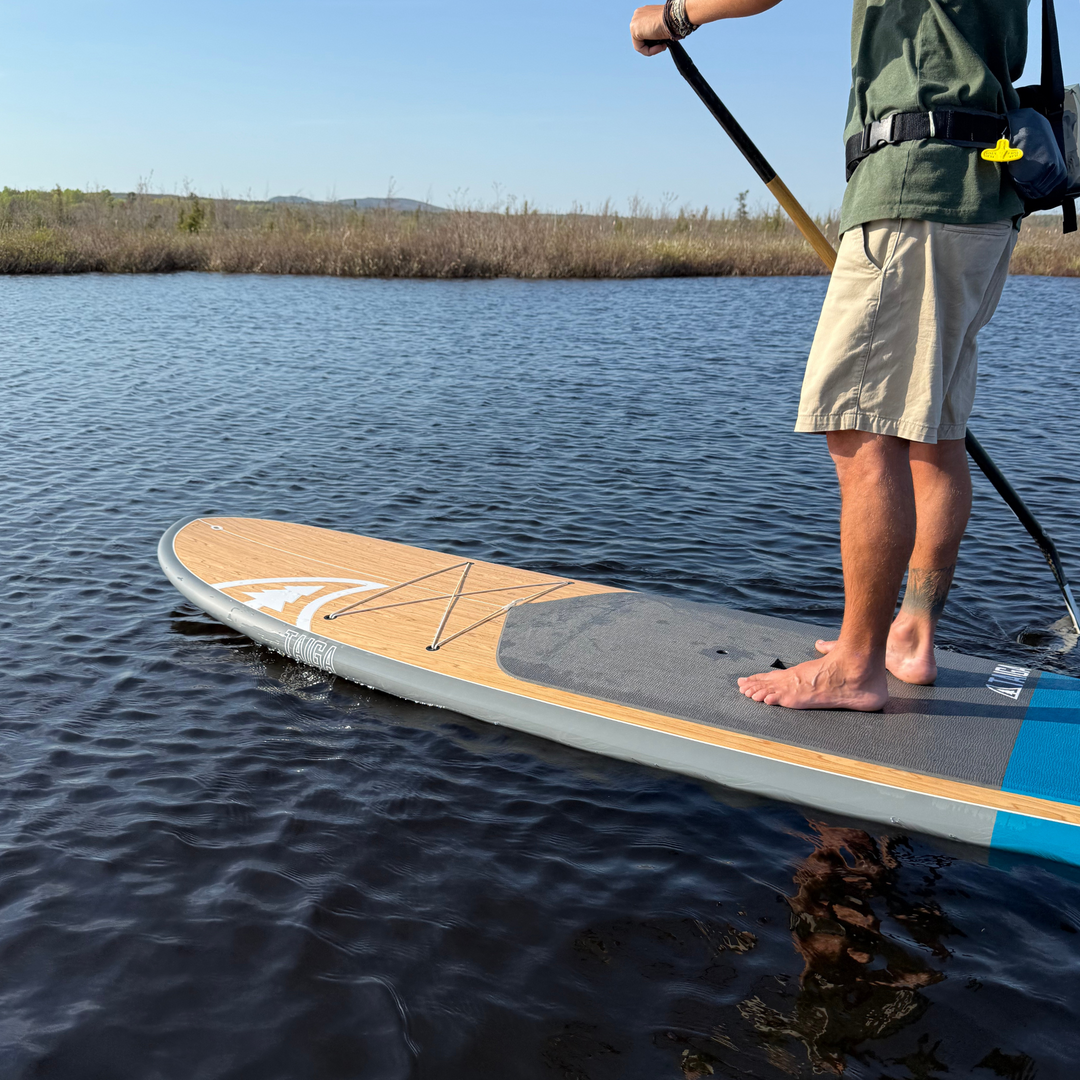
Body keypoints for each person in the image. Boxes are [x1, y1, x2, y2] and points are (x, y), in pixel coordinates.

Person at [631, 0, 1027, 711]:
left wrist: (675, 14)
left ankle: (855, 666)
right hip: (987, 201)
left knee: (861, 431)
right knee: (934, 434)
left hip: (914, 190)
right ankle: (910, 633)